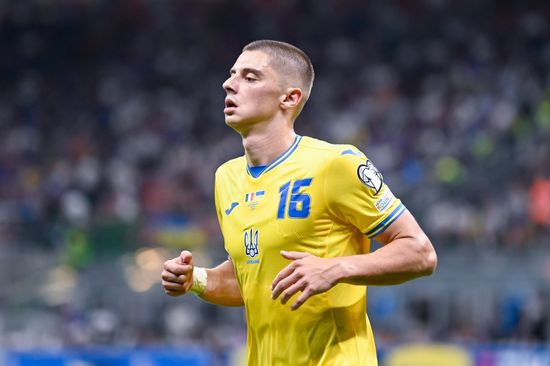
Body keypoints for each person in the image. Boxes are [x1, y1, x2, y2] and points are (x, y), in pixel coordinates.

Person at [161, 40, 437, 365]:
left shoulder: (335, 164)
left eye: (250, 77)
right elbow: (253, 279)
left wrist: (336, 268)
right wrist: (196, 279)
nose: (229, 83)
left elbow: (420, 252)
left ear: (289, 98)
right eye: (232, 74)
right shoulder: (227, 178)